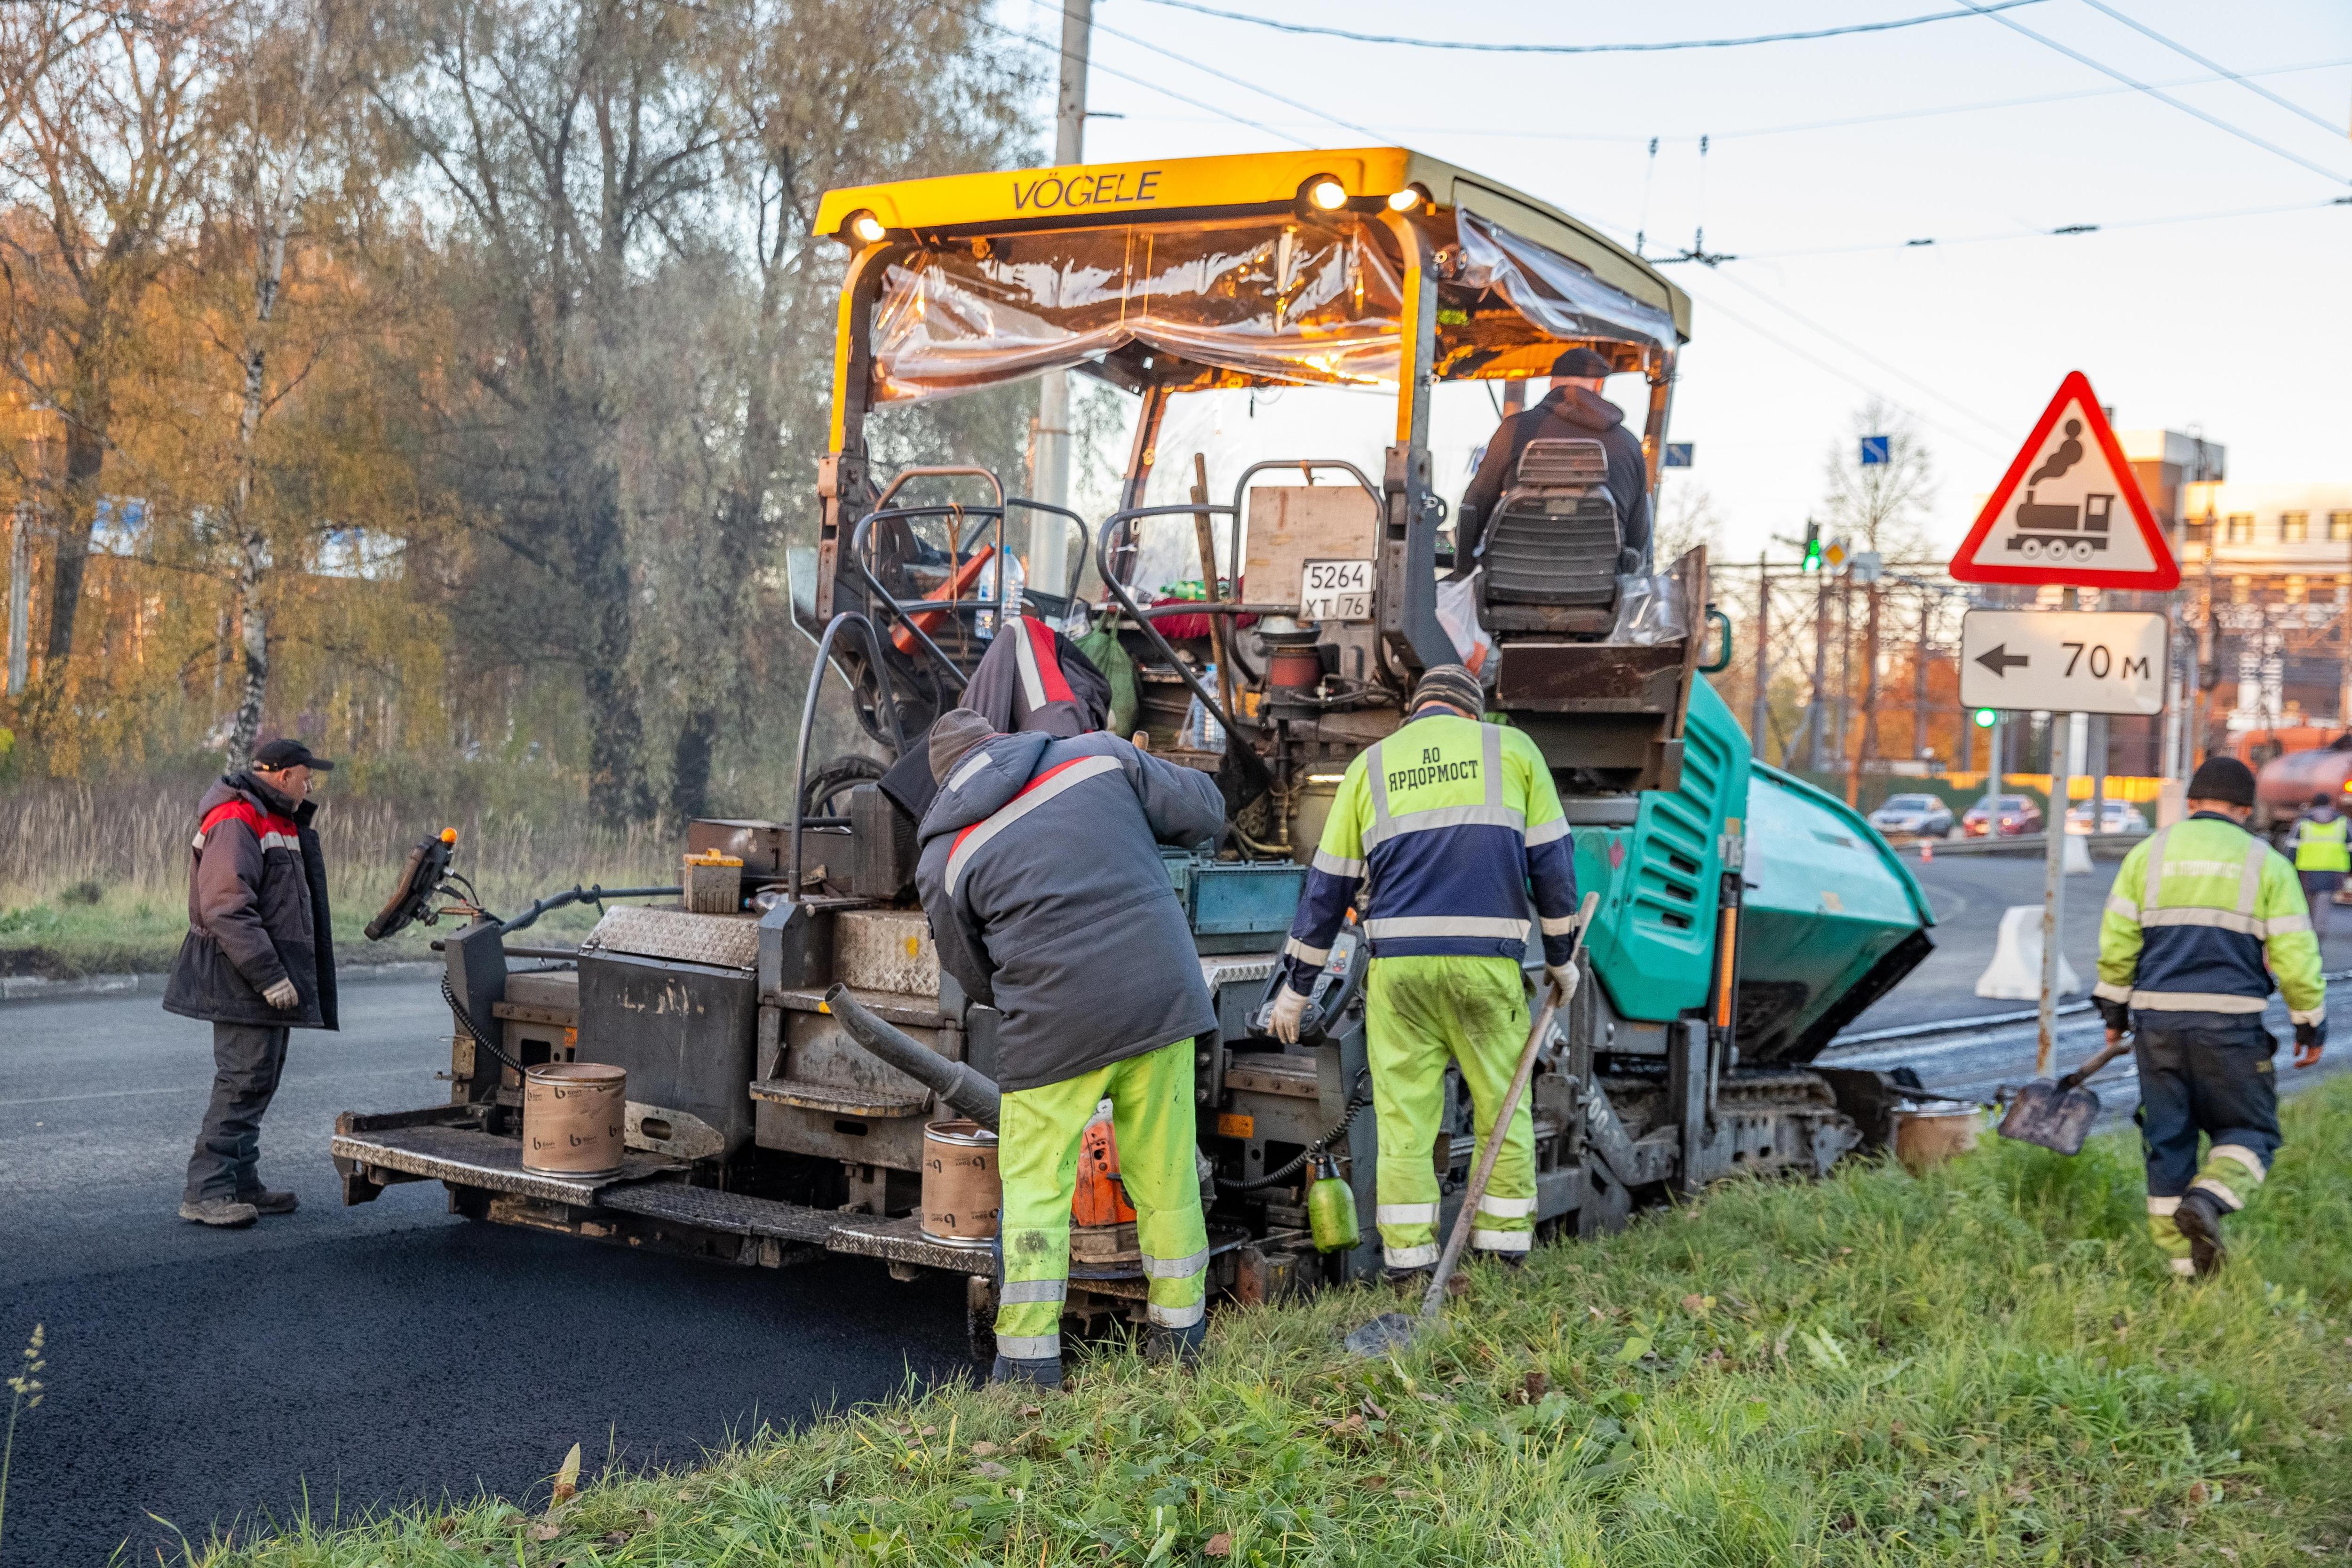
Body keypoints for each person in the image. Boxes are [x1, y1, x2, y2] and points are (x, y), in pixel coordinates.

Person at [915, 708, 1226, 1387]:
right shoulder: (1098, 756)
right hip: (1161, 997)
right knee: (1167, 1176)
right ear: (1001, 743)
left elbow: (971, 973)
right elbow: (1204, 811)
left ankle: (1030, 1370)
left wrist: (1043, 986)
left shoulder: (944, 855)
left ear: (944, 785)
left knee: (1037, 1189)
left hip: (1052, 1025)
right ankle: (1180, 1344)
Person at [1266, 664, 1581, 1282]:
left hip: (1399, 972)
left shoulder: (1372, 765)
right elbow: (1553, 865)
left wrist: (1295, 992)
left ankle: (1409, 1265)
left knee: (1406, 1121)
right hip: (1485, 968)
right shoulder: (1511, 749)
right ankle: (1502, 1255)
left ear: (1416, 712)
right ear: (1474, 712)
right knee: (1502, 1105)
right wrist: (1562, 956)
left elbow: (1325, 890)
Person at [2095, 756, 2324, 1278]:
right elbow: (2293, 954)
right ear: (2245, 810)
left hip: (2156, 1027)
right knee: (2250, 1131)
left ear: (2191, 803)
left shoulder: (2146, 856)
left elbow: (2116, 944)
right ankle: (2208, 1198)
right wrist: (2309, 1022)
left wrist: (2113, 1011)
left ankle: (2186, 1274)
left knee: (2167, 1141)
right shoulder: (2264, 862)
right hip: (2231, 1027)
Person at [164, 739, 340, 1227]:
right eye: (307, 776)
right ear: (283, 776)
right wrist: (270, 975)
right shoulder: (238, 818)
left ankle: (240, 1181)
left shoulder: (274, 817)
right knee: (242, 1080)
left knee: (260, 1078)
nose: (311, 785)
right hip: (241, 974)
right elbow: (226, 906)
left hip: (259, 974)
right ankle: (206, 1191)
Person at [1452, 346, 1651, 574]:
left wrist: (1466, 565)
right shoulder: (1628, 444)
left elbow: (1475, 506)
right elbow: (1638, 536)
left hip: (1511, 581)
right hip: (1600, 587)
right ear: (1599, 385)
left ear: (1552, 384)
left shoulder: (1514, 431)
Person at [2283, 791, 2348, 936]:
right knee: (2323, 905)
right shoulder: (2342, 821)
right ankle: (2317, 934)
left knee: (2306, 904)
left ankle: (2306, 931)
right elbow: (2351, 847)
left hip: (2306, 870)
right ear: (2330, 804)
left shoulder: (2304, 821)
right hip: (2333, 869)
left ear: (2314, 804)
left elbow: (2292, 847)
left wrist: (2289, 868)